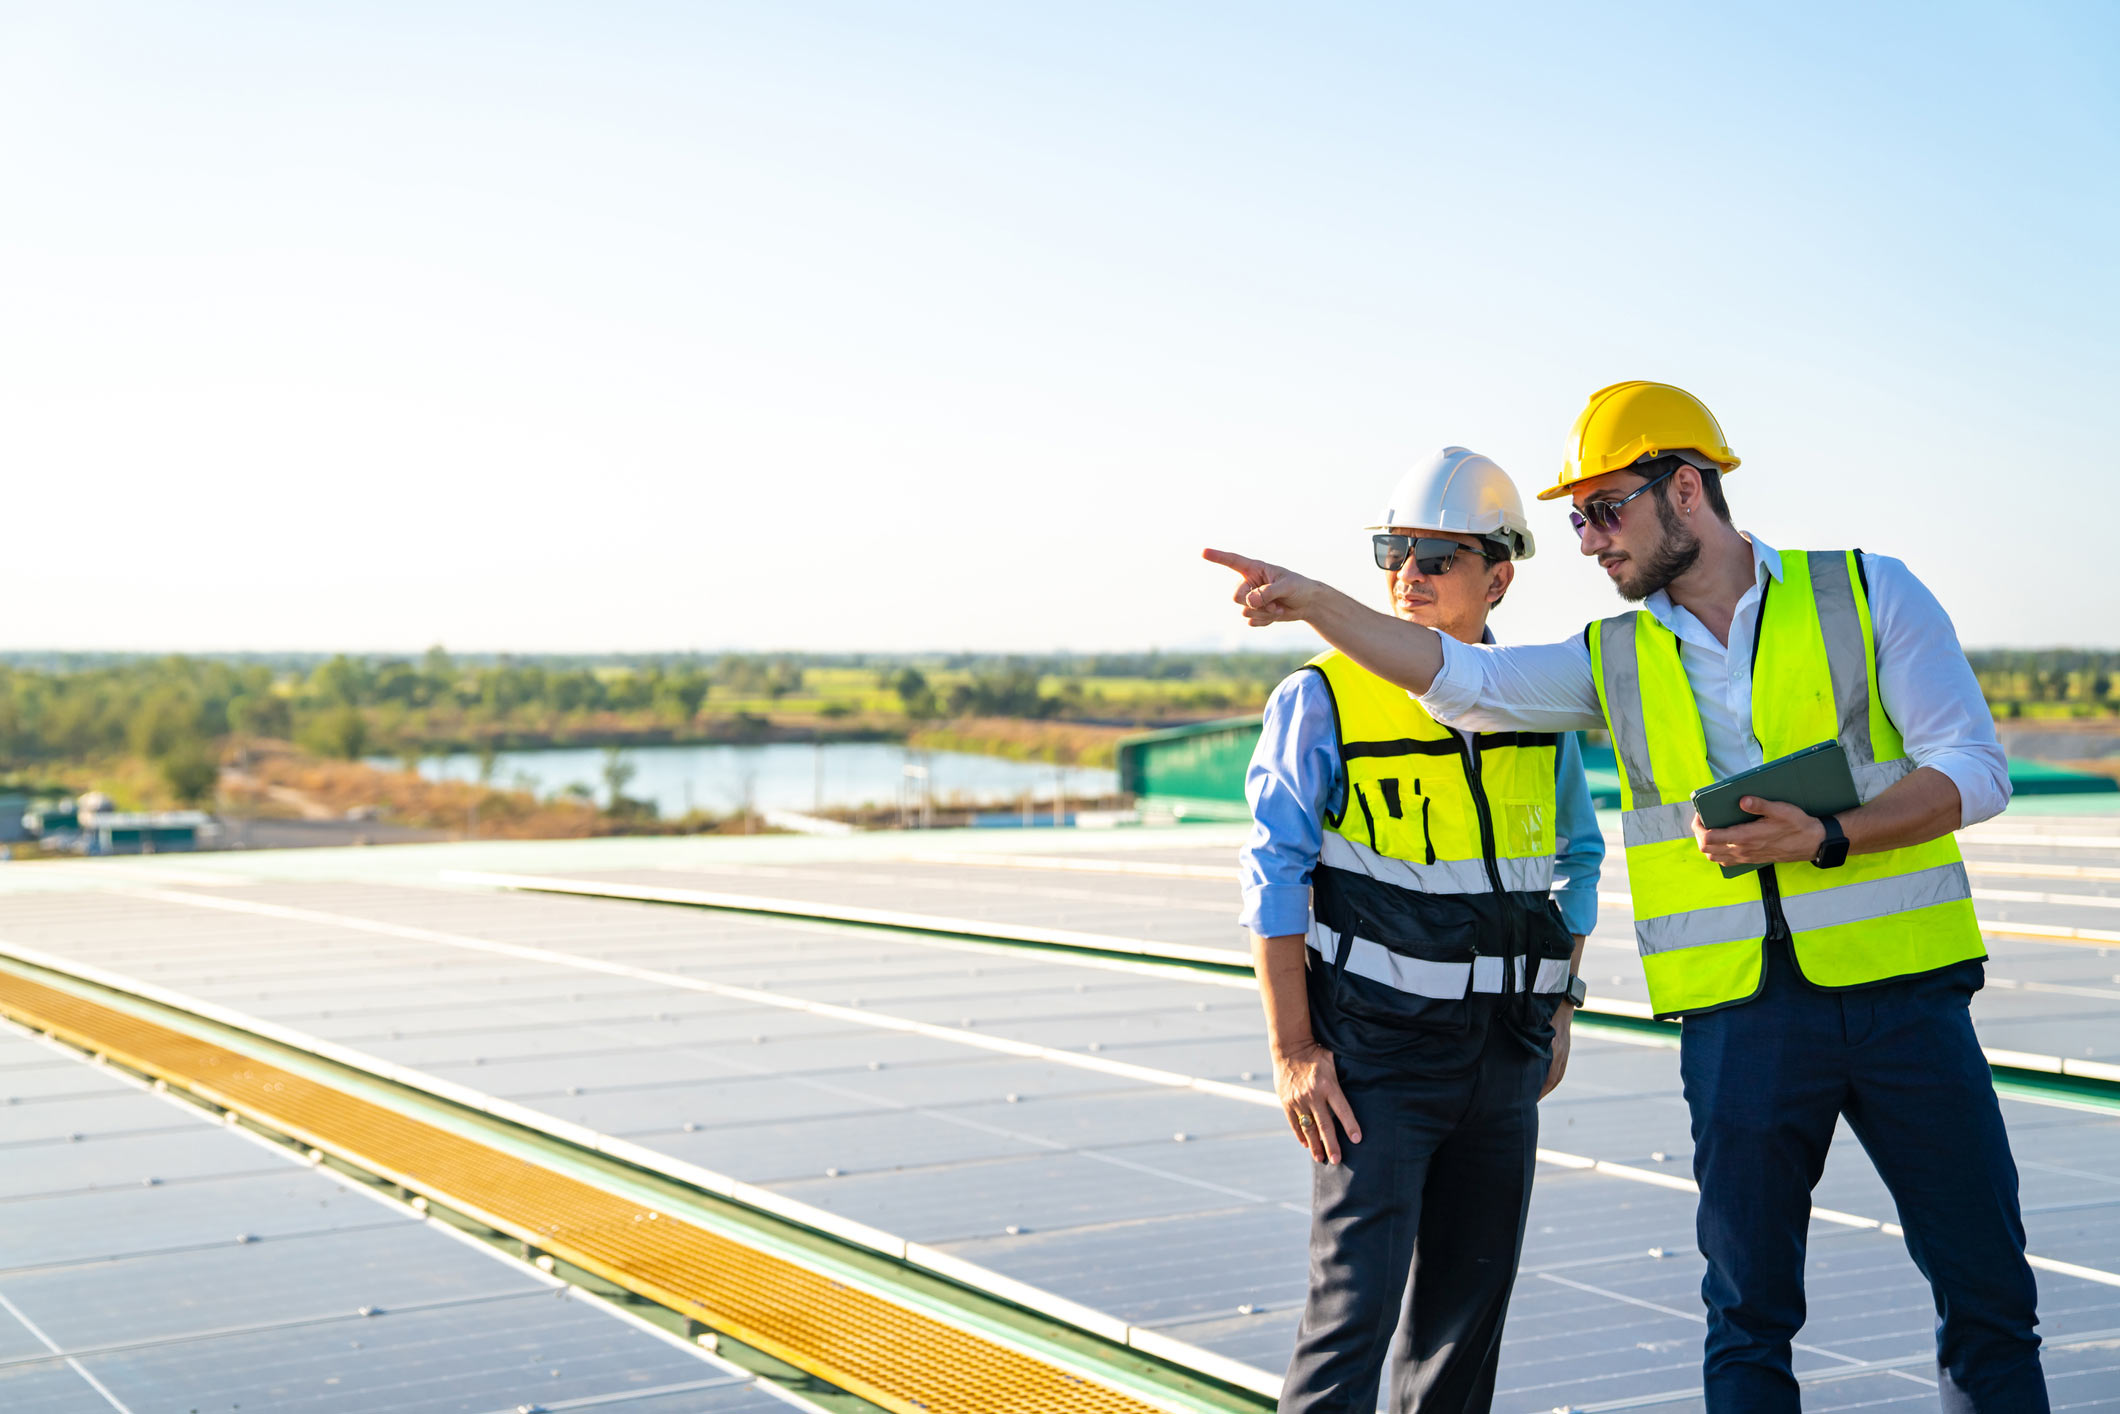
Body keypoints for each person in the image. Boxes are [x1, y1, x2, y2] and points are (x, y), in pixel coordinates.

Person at [1207, 382, 2044, 1413]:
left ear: (1683, 490)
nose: (1588, 541)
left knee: (1987, 1294)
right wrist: (1314, 600)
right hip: (1738, 1017)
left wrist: (1827, 833)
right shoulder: (1608, 657)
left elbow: (1974, 766)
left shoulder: (1870, 593)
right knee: (1745, 1320)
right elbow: (1459, 682)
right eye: (1572, 520)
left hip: (1905, 1001)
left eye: (1604, 510)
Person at [1242, 448, 1602, 1413]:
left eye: (1438, 556)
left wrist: (1562, 1005)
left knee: (1462, 1329)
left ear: (1500, 575)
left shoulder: (1540, 702)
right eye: (1395, 548)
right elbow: (1273, 877)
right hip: (1376, 1066)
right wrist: (1293, 1050)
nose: (1409, 571)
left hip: (1505, 1059)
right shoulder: (1321, 696)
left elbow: (1579, 856)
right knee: (1348, 1322)